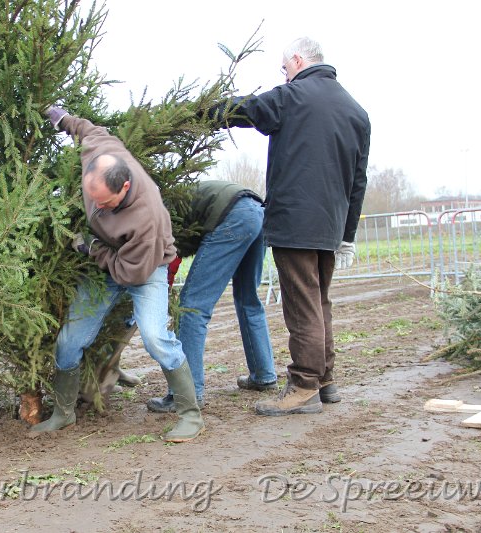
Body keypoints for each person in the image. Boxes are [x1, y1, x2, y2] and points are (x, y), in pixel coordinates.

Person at [206, 37, 370, 415]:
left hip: (295, 222)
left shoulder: (293, 96)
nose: (284, 75)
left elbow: (247, 109)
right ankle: (325, 379)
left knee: (301, 304)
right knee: (319, 300)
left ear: (297, 60)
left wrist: (204, 111)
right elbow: (358, 180)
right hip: (330, 225)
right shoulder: (356, 111)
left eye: (284, 68)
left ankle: (304, 385)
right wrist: (347, 235)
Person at [29, 107, 204, 442]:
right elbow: (85, 128)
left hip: (144, 267)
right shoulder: (100, 151)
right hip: (111, 259)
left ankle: (191, 416)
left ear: (124, 187)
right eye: (93, 199)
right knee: (69, 340)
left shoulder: (146, 218)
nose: (98, 208)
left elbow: (129, 273)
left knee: (156, 338)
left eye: (106, 204)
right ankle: (63, 414)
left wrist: (92, 249)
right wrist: (59, 117)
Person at [147, 180, 278, 413]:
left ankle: (187, 394)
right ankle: (264, 374)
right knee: (248, 299)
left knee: (191, 307)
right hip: (257, 212)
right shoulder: (169, 200)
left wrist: (160, 296)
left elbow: (169, 260)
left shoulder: (158, 214)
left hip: (232, 217)